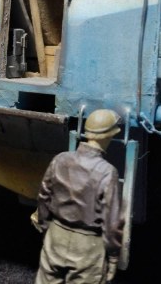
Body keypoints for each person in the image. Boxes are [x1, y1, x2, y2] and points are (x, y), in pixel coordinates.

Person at [32, 109, 125, 284]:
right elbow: (112, 222)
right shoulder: (107, 172)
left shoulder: (60, 159)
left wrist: (46, 229)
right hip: (88, 247)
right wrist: (113, 257)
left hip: (56, 235)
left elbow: (43, 197)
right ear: (109, 135)